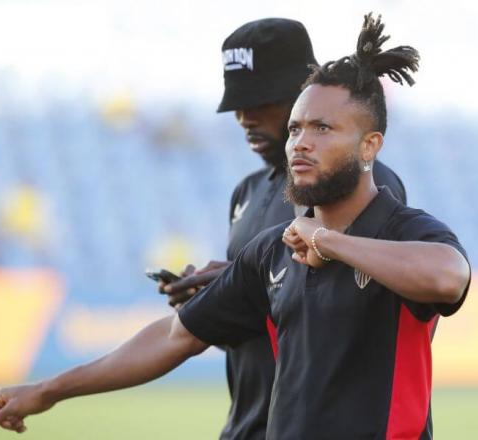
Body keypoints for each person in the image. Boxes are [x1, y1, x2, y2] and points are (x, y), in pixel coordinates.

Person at [0, 13, 470, 439]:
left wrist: (328, 241)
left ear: (369, 146)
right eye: (297, 128)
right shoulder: (270, 250)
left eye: (322, 128)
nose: (300, 141)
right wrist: (48, 390)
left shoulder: (398, 226)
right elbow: (177, 336)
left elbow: (448, 277)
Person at [160, 17, 406, 440]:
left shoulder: (359, 185)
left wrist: (252, 282)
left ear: (303, 93)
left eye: (259, 102)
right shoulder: (246, 193)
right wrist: (219, 298)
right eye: (236, 105)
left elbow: (352, 312)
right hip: (248, 427)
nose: (243, 118)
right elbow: (265, 329)